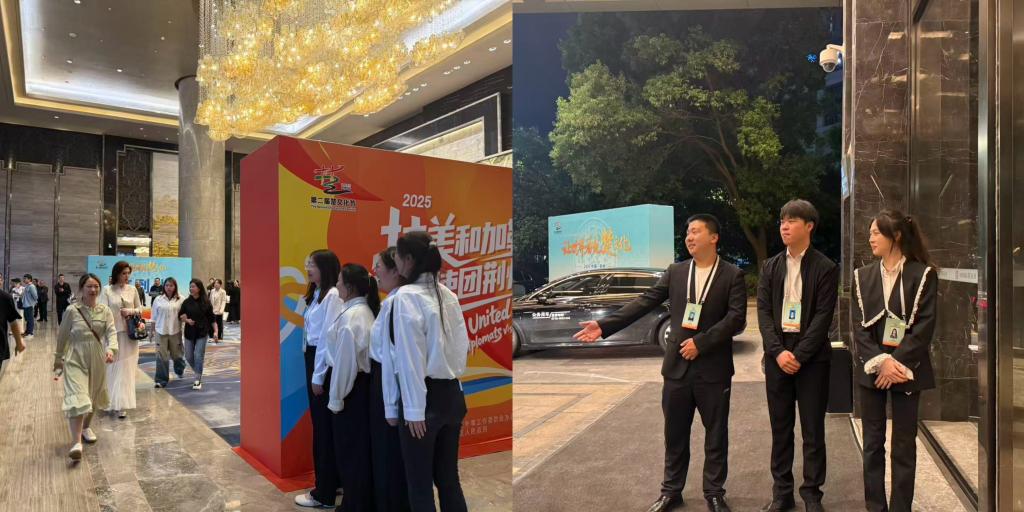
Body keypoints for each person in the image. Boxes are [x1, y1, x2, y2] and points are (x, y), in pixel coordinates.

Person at [575, 214, 747, 512]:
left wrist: (701, 343)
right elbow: (646, 300)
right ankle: (671, 491)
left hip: (713, 370)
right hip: (677, 369)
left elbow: (736, 318)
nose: (689, 237)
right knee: (674, 434)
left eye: (696, 231)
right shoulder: (676, 271)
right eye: (688, 232)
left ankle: (714, 493)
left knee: (716, 434)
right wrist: (604, 326)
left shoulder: (732, 275)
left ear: (713, 237)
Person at [757, 200, 839, 512]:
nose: (784, 226)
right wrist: (778, 353)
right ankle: (782, 493)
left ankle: (812, 495)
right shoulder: (770, 266)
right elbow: (763, 314)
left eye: (792, 221)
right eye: (782, 221)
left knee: (813, 430)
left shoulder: (826, 267)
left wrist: (799, 355)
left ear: (809, 226)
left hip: (812, 360)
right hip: (778, 357)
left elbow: (823, 318)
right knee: (780, 429)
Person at [854, 210, 937, 512]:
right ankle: (875, 507)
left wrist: (894, 364)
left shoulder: (923, 274)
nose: (870, 238)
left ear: (896, 235)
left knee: (904, 446)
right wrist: (881, 362)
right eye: (870, 232)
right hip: (873, 370)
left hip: (907, 370)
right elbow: (859, 329)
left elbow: (924, 327)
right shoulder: (863, 276)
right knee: (872, 444)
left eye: (876, 232)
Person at [384, 231, 471, 512]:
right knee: (448, 479)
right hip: (452, 395)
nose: (395, 261)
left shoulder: (405, 296)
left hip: (424, 400)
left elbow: (410, 359)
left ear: (409, 259)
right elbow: (461, 348)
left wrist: (413, 409)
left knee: (419, 485)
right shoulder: (448, 294)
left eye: (397, 256)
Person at [325, 263, 380, 512]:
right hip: (360, 389)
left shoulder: (351, 318)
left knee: (350, 452)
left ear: (349, 287)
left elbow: (345, 366)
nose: (336, 285)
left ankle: (354, 505)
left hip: (351, 391)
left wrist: (335, 400)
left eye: (339, 281)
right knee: (359, 452)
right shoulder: (362, 311)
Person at [294, 250, 344, 510]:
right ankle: (333, 482)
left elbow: (327, 338)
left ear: (325, 267)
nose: (308, 268)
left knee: (323, 429)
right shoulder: (316, 294)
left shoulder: (332, 295)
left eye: (312, 264)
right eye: (308, 263)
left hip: (320, 362)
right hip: (312, 358)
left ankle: (323, 493)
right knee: (322, 425)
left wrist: (318, 374)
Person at [53, 273, 117, 461]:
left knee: (93, 396)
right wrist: (58, 359)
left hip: (97, 356)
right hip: (75, 357)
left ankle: (86, 427)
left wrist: (111, 349)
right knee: (79, 397)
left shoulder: (105, 311)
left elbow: (111, 332)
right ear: (81, 288)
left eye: (96, 286)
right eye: (89, 286)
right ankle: (76, 443)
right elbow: (62, 336)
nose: (93, 289)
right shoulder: (72, 310)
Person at [370, 247, 411, 511]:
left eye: (379, 266)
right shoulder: (391, 302)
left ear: (396, 270)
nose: (374, 271)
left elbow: (393, 359)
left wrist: (390, 404)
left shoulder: (396, 304)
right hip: (387, 385)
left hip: (389, 386)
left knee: (390, 455)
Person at [101, 261, 142, 419]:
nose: (126, 276)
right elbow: (103, 312)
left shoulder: (133, 289)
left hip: (130, 335)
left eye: (128, 273)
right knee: (112, 369)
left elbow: (140, 309)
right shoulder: (107, 290)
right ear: (116, 273)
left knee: (126, 370)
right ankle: (110, 401)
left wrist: (130, 311)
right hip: (112, 335)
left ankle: (122, 404)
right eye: (123, 273)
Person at [179, 279, 218, 391]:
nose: (191, 288)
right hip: (189, 332)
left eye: (193, 286)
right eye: (190, 286)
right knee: (188, 356)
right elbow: (180, 316)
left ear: (199, 288)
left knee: (198, 355)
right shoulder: (186, 302)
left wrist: (215, 332)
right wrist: (187, 320)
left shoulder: (206, 302)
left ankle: (197, 379)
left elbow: (212, 319)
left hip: (202, 332)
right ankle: (198, 371)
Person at [152, 278, 187, 388]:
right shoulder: (158, 299)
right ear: (164, 286)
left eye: (171, 285)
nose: (169, 288)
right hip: (160, 331)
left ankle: (180, 370)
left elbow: (185, 315)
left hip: (175, 331)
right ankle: (161, 380)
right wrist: (152, 331)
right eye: (167, 285)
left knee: (177, 356)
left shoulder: (181, 299)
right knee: (161, 357)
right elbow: (154, 317)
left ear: (175, 287)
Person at [0, 272, 26, 375]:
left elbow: (13, 321)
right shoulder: (6, 296)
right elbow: (13, 322)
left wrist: (19, 343)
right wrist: (19, 343)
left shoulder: (5, 297)